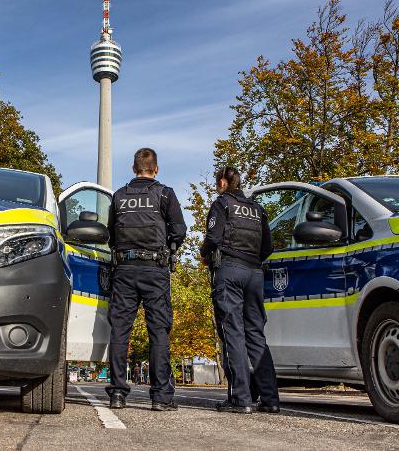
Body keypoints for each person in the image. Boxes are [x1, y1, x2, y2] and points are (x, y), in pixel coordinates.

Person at [105, 147, 187, 411]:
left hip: (124, 270)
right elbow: (179, 231)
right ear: (156, 169)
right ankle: (161, 397)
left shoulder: (118, 196)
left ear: (133, 169)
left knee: (120, 330)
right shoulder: (165, 194)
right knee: (158, 331)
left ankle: (117, 393)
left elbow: (111, 236)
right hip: (155, 269)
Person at [200, 166, 280, 414]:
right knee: (256, 334)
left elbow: (213, 238)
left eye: (217, 182)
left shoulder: (221, 204)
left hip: (230, 271)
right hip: (255, 274)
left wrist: (204, 255)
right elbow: (268, 246)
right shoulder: (258, 209)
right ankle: (270, 400)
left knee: (232, 332)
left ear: (223, 181)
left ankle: (241, 398)